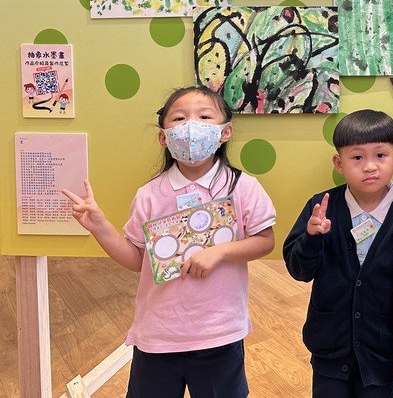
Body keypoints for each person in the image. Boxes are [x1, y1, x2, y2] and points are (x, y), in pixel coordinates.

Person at [61, 85, 276, 398]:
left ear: (225, 132)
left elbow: (265, 240)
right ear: (163, 137)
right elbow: (137, 259)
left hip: (219, 332)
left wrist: (220, 252)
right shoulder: (149, 194)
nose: (190, 126)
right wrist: (100, 226)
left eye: (204, 117)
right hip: (158, 335)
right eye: (179, 118)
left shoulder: (242, 186)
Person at [283, 109, 393, 397]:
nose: (370, 166)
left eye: (380, 155)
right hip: (330, 345)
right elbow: (299, 270)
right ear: (339, 163)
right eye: (357, 158)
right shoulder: (321, 207)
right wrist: (311, 238)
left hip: (381, 350)